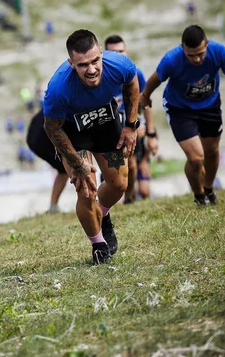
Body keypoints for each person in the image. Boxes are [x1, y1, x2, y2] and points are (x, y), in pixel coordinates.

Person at [43, 30, 140, 265]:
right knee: (86, 190)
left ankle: (102, 214)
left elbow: (132, 84)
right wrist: (77, 163)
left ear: (101, 54)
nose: (92, 69)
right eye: (83, 65)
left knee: (119, 184)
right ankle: (98, 245)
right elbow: (52, 128)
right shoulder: (58, 89)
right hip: (73, 130)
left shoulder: (119, 64)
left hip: (105, 120)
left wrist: (131, 125)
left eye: (95, 61)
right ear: (71, 63)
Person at [140, 25, 225, 206]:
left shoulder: (218, 52)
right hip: (179, 109)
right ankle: (199, 196)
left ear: (207, 45)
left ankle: (209, 189)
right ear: (183, 48)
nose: (196, 59)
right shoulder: (172, 59)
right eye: (191, 55)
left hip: (210, 106)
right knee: (196, 159)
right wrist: (145, 97)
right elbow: (155, 79)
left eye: (201, 54)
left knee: (212, 153)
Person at [104, 34, 155, 203]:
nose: (119, 55)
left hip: (130, 126)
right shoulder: (100, 76)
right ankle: (115, 197)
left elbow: (145, 102)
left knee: (132, 166)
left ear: (127, 51)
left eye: (121, 51)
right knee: (116, 172)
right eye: (113, 52)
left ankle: (130, 198)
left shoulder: (135, 72)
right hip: (108, 129)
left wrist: (150, 131)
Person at [26, 110, 68, 213]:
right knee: (68, 166)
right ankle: (87, 200)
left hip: (37, 129)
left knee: (65, 169)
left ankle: (53, 206)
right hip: (42, 134)